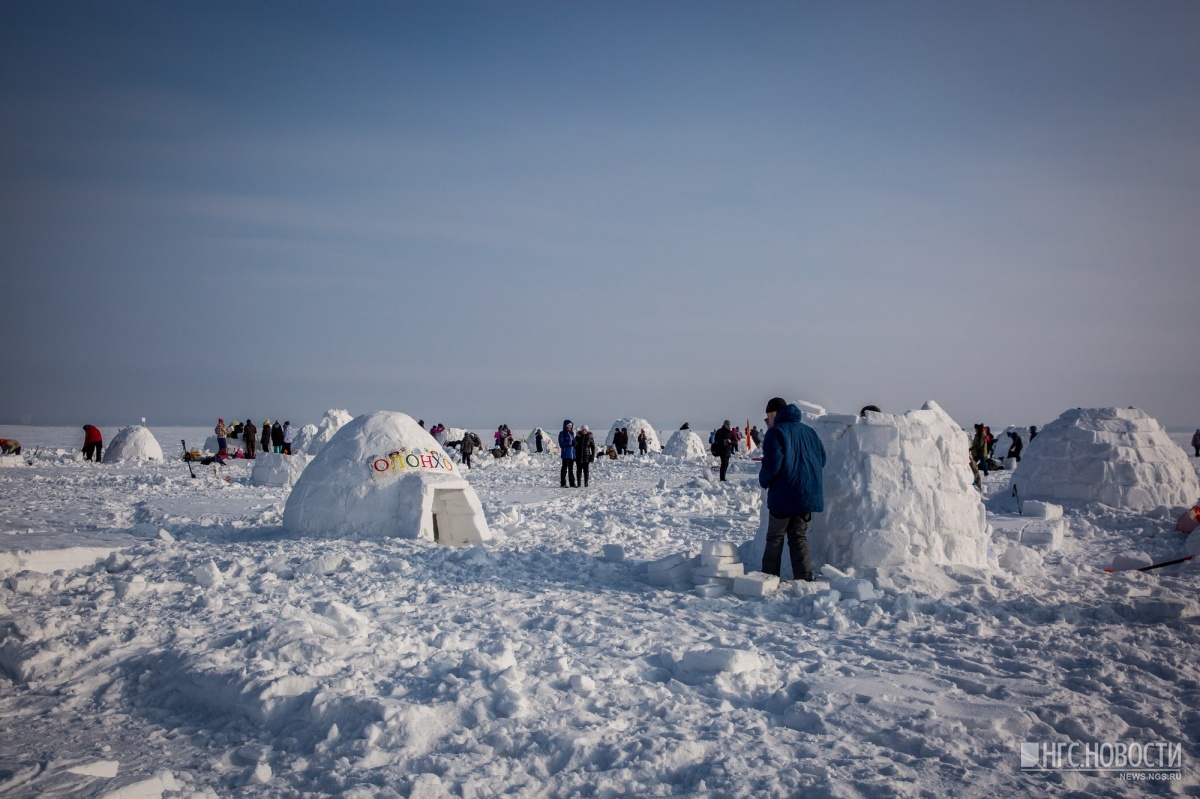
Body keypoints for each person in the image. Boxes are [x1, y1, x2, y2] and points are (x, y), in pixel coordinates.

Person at [758, 397, 826, 582]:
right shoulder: (809, 431)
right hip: (806, 494)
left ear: (774, 413)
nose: (768, 421)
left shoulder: (776, 432)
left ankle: (767, 579)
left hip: (784, 494)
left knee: (775, 538)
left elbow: (772, 464)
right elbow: (822, 459)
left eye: (768, 416)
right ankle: (804, 580)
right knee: (798, 537)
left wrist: (763, 481)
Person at [558, 420, 577, 487]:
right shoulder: (562, 433)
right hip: (566, 454)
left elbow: (574, 443)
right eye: (569, 425)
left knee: (571, 470)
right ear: (566, 426)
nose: (570, 427)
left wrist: (575, 444)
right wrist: (570, 443)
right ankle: (563, 483)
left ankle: (572, 483)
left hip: (571, 455)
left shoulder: (571, 433)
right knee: (564, 469)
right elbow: (561, 444)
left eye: (571, 425)